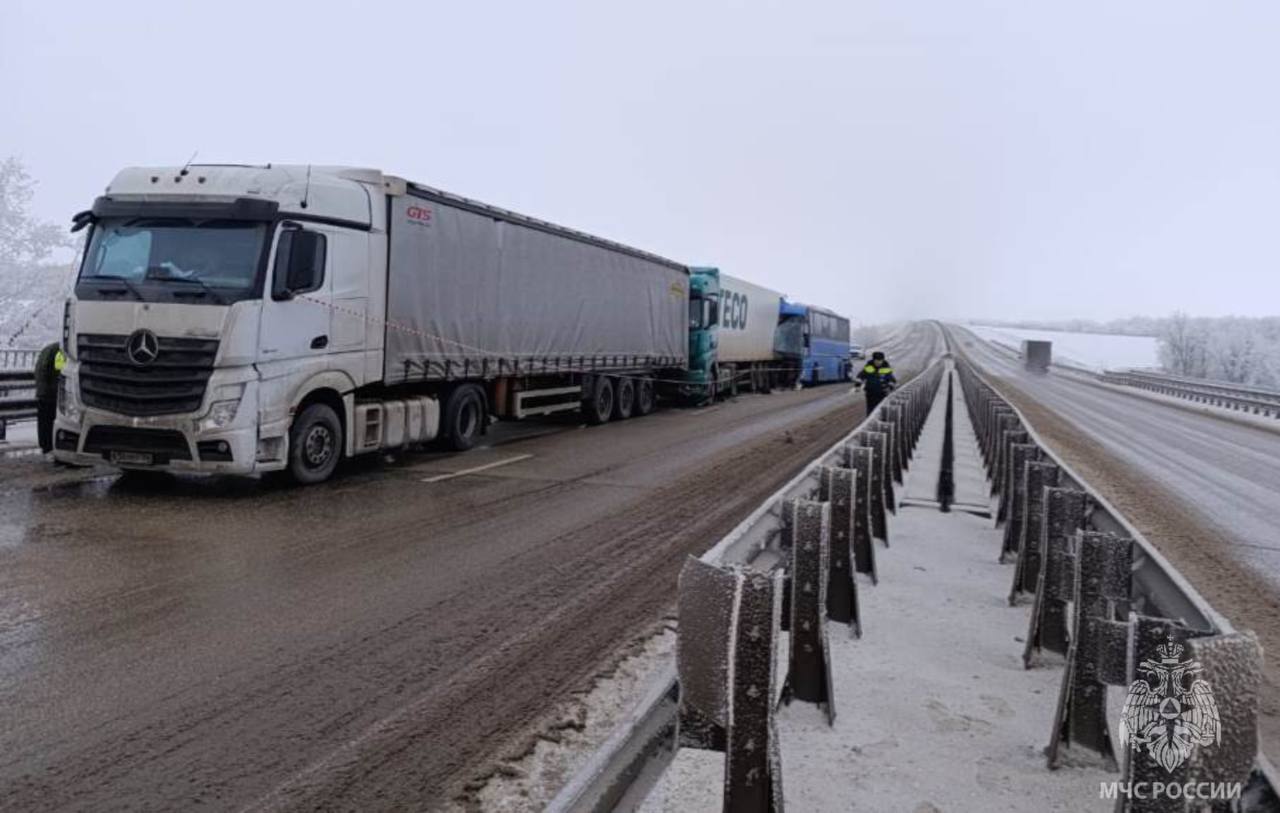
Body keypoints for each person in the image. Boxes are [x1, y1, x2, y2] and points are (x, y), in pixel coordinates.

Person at [34, 341, 65, 453]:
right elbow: (59, 371)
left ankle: (44, 445)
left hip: (42, 391)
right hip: (50, 393)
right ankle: (49, 446)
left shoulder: (49, 348)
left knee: (43, 420)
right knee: (50, 420)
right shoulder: (60, 352)